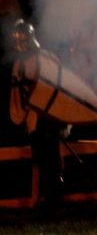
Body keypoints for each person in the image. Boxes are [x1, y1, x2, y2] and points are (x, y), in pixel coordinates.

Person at [8, 20, 68, 208]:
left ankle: (54, 200)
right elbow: (18, 94)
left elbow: (61, 88)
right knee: (45, 161)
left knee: (49, 162)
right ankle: (50, 199)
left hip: (46, 118)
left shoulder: (44, 59)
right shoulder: (24, 64)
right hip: (42, 119)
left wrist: (20, 117)